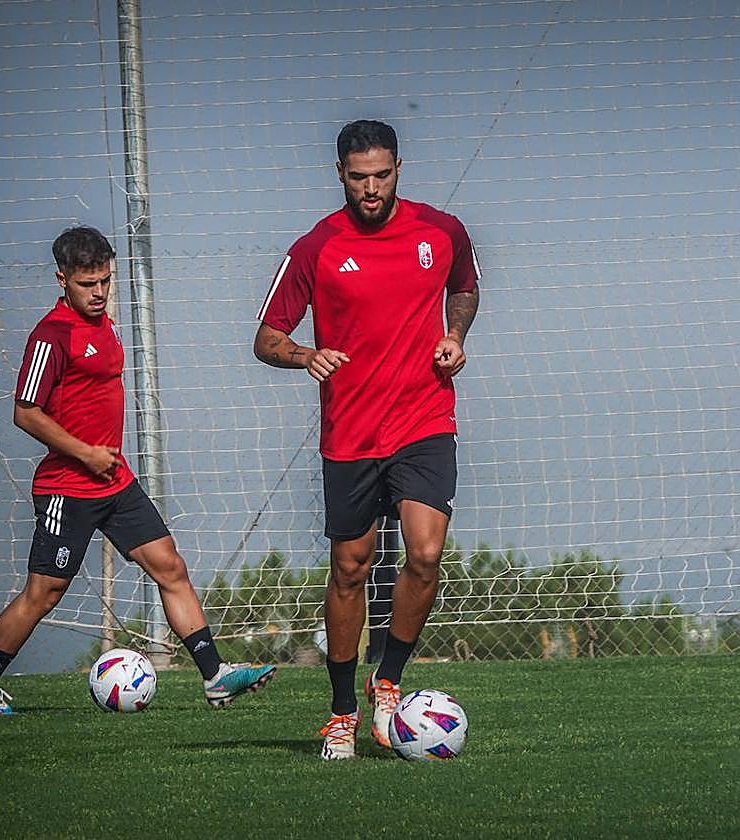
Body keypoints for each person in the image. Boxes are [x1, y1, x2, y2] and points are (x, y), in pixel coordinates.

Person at [0, 226, 275, 715]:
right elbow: (25, 412)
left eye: (105, 280)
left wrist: (100, 459)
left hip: (115, 481)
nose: (100, 292)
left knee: (170, 567)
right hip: (67, 488)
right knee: (44, 594)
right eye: (88, 283)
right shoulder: (51, 336)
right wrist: (85, 453)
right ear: (62, 279)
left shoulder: (105, 325)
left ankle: (215, 676)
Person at [254, 120, 480, 759]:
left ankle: (389, 680)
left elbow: (464, 287)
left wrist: (454, 336)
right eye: (359, 178)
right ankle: (341, 712)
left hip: (424, 420)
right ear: (340, 175)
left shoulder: (442, 230)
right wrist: (305, 355)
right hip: (350, 434)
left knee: (426, 554)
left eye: (381, 175)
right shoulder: (316, 247)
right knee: (351, 568)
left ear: (399, 168)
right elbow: (266, 337)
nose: (371, 188)